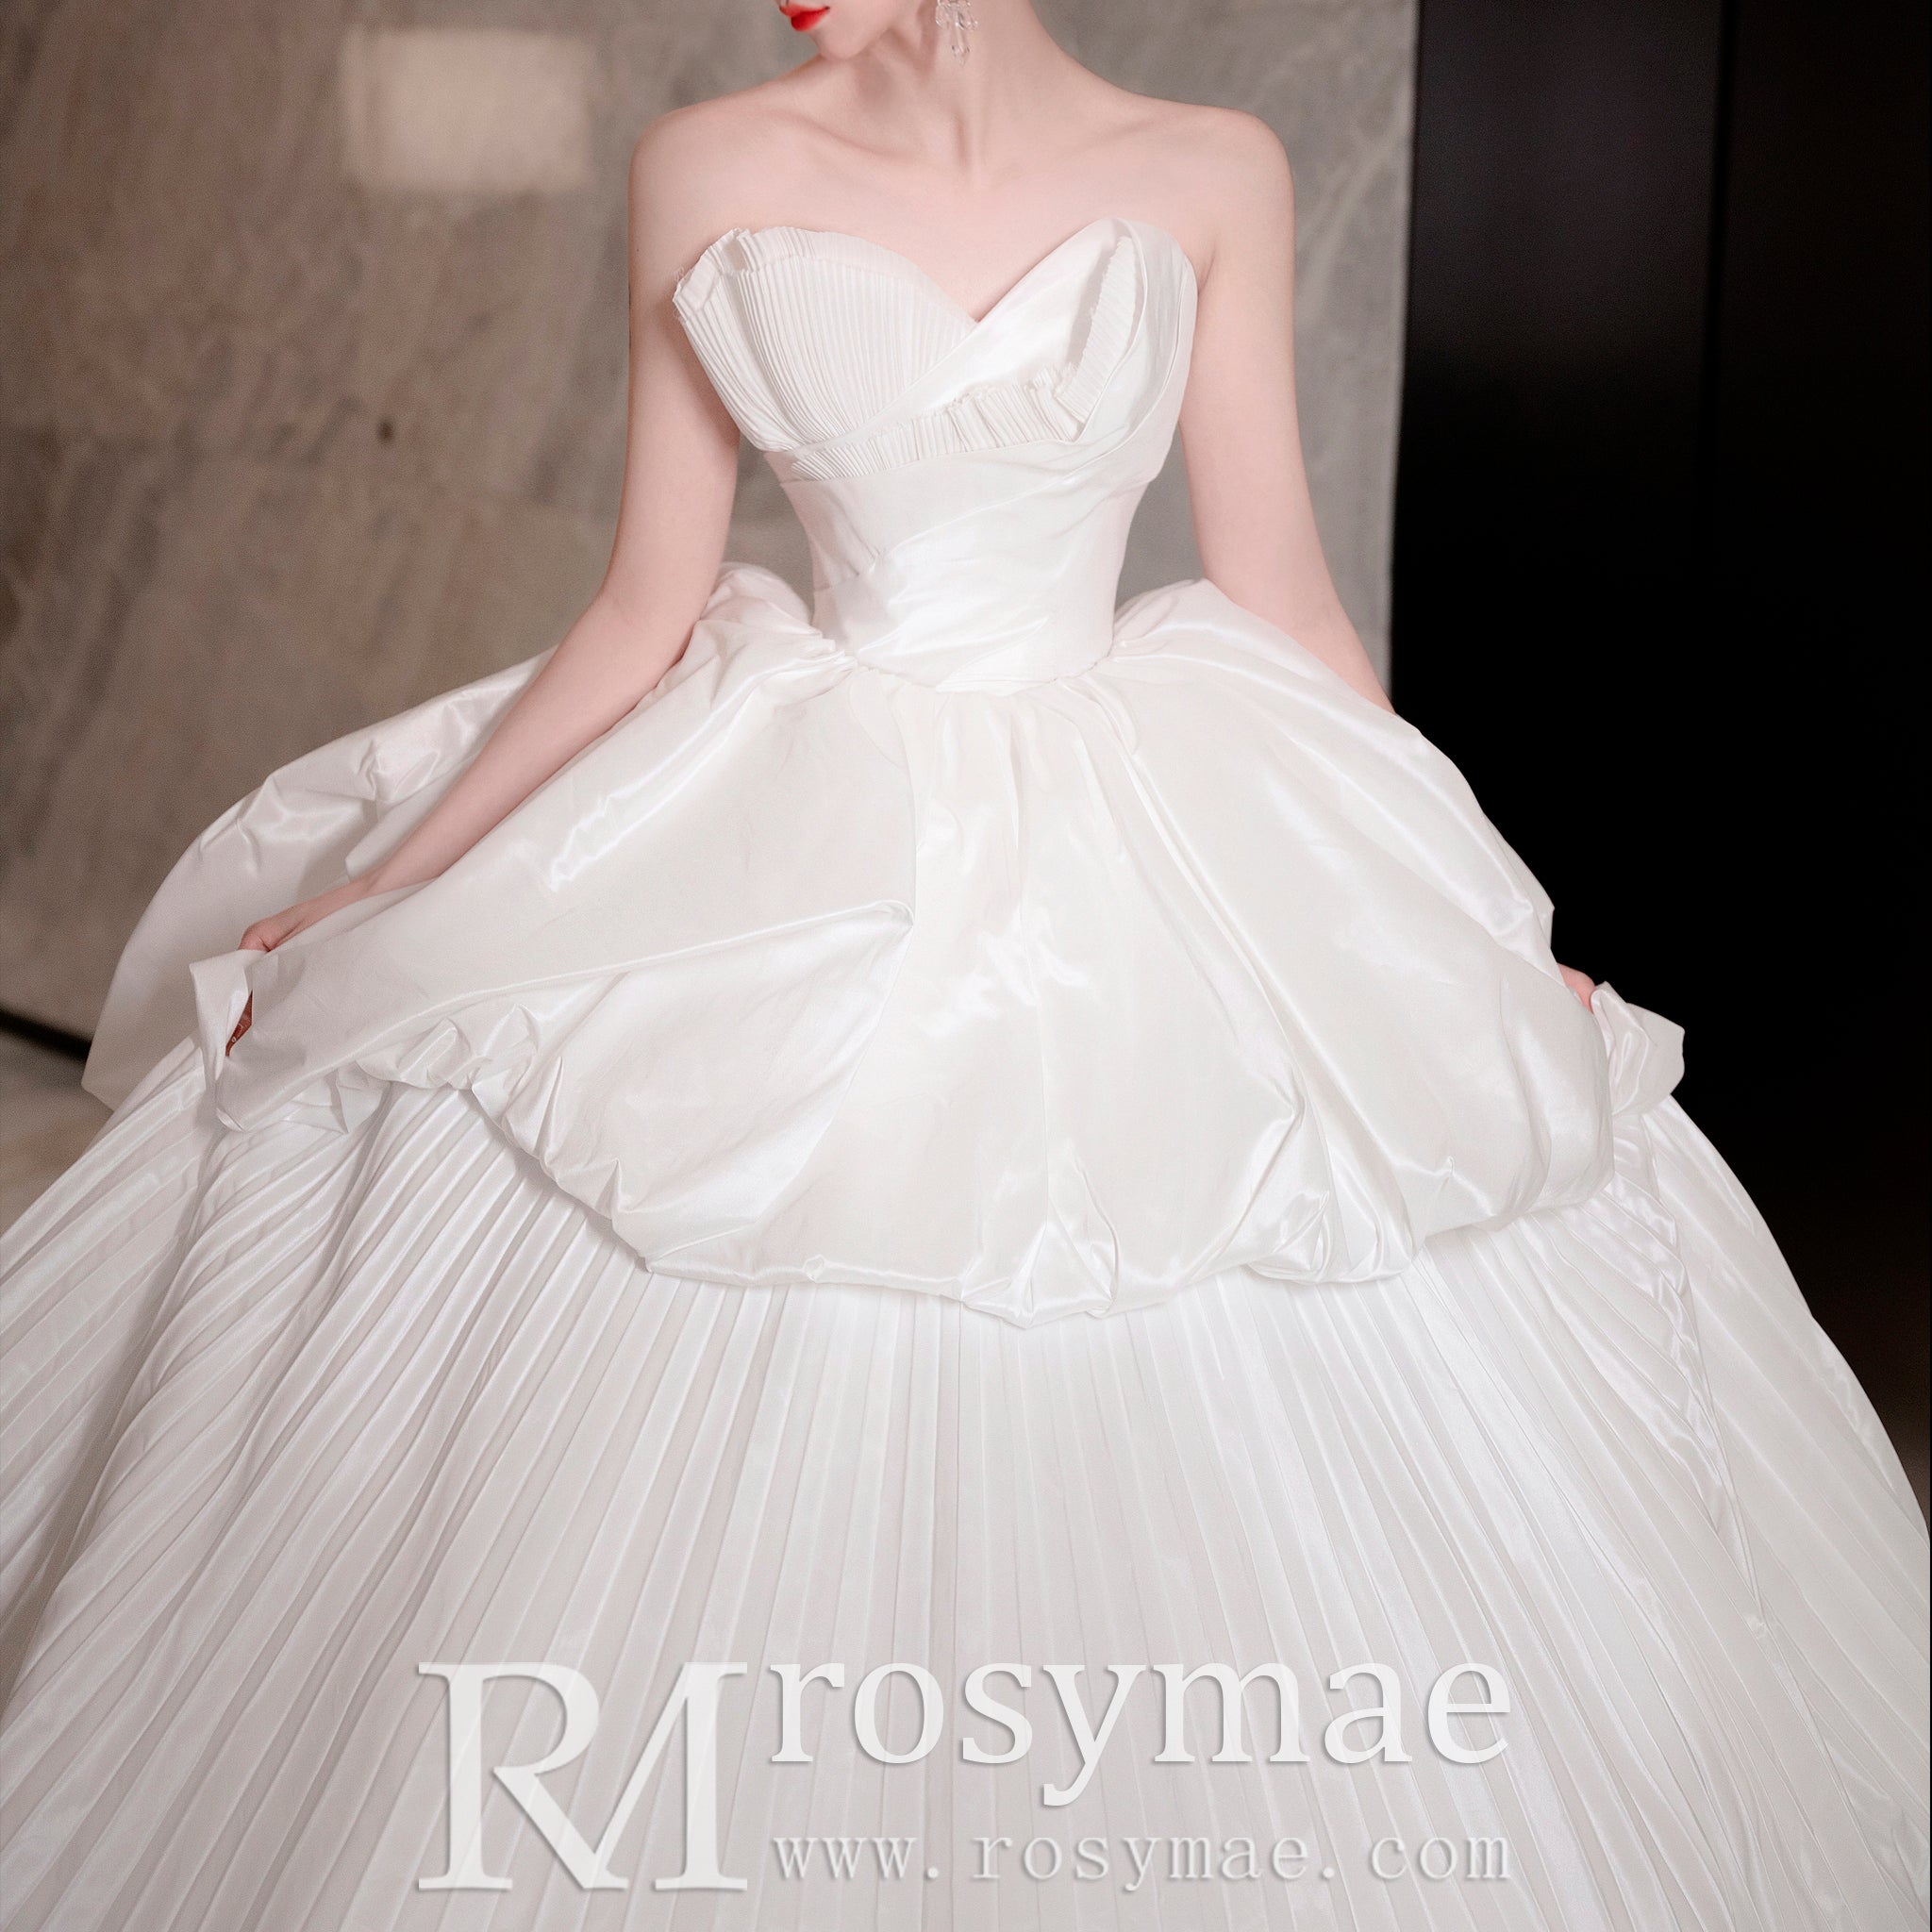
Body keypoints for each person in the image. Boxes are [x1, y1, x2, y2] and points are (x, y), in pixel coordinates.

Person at [3, 2, 1925, 1925]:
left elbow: (1285, 596)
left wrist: (1479, 925)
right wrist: (392, 883)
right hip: (801, 831)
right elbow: (643, 604)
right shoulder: (709, 163)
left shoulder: (1215, 168)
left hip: (1135, 817)